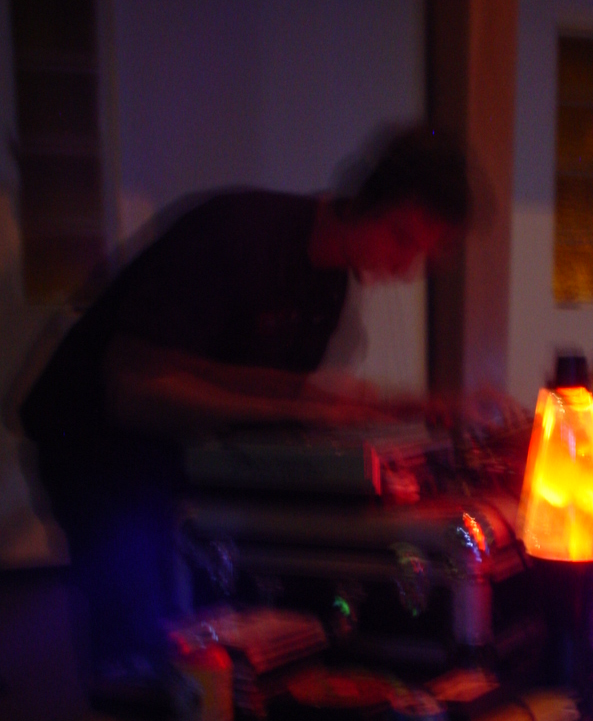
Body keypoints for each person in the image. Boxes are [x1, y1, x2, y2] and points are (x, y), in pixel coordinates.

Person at [17, 125, 471, 692]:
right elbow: (134, 390)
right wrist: (301, 410)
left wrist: (391, 405)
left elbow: (239, 380)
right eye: (401, 238)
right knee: (138, 638)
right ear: (367, 200)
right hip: (91, 440)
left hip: (170, 448)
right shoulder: (239, 233)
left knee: (208, 637)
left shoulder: (329, 286)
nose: (404, 267)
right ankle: (130, 718)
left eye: (419, 253)